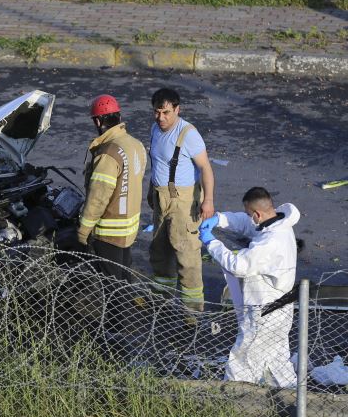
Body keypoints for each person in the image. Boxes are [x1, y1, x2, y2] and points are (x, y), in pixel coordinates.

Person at [199, 187, 299, 388]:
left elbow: (239, 266)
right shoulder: (278, 223)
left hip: (264, 310)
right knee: (276, 358)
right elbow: (246, 224)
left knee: (243, 359)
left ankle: (236, 403)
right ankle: (290, 399)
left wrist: (212, 243)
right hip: (282, 308)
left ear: (258, 214)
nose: (247, 218)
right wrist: (220, 219)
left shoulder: (270, 242)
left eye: (248, 213)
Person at [147, 88, 215, 311]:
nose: (161, 118)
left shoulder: (189, 135)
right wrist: (152, 191)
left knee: (187, 254)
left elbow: (205, 168)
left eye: (166, 112)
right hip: (161, 199)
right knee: (160, 249)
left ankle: (192, 311)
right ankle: (160, 299)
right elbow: (158, 164)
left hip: (183, 202)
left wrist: (208, 201)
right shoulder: (155, 130)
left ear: (177, 109)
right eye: (157, 112)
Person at [78, 95, 147, 283]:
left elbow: (98, 198)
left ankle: (120, 313)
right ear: (118, 116)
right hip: (129, 229)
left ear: (98, 121)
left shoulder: (108, 153)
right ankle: (128, 312)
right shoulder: (136, 145)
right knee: (124, 282)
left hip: (109, 233)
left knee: (112, 289)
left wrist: (83, 231)